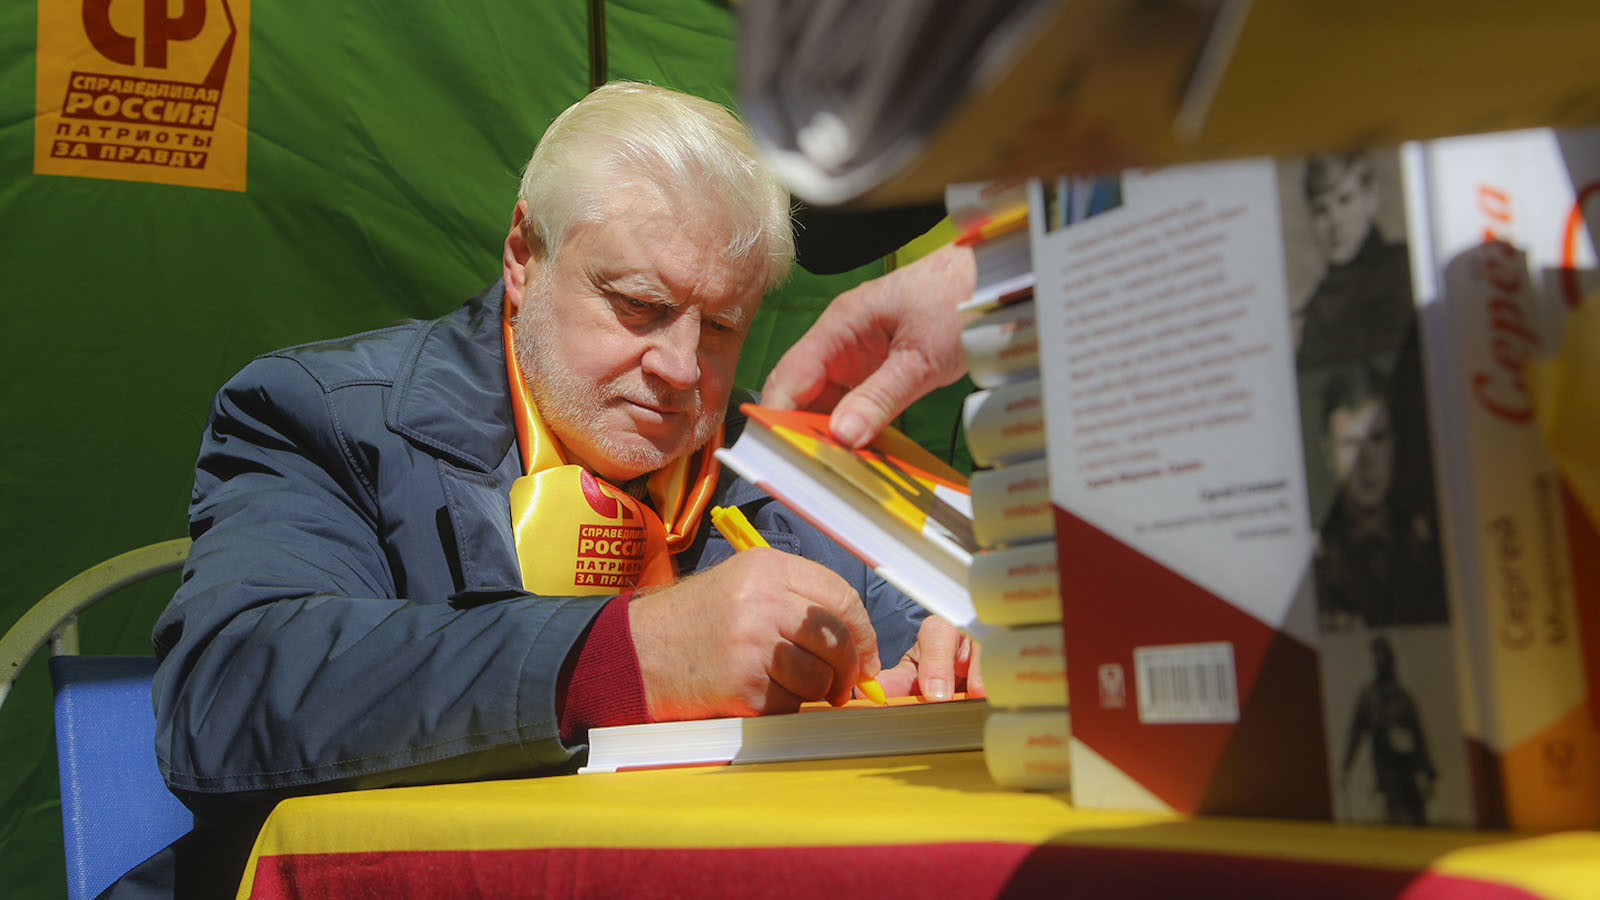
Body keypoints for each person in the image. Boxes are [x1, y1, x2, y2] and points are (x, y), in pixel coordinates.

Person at [130, 82, 977, 900]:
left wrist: (969, 644)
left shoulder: (780, 465)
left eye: (722, 326)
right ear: (523, 257)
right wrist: (625, 656)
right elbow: (225, 698)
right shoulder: (325, 414)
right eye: (640, 306)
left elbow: (925, 638)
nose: (681, 368)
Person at [1310, 361, 1448, 629]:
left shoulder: (1433, 546)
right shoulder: (1314, 557)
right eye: (1351, 444)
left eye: (1378, 438)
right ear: (1328, 452)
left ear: (1394, 443)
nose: (1367, 462)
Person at [1293, 151, 1416, 371]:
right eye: (1321, 210)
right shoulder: (1317, 307)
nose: (1334, 221)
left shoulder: (1401, 268)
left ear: (1371, 198)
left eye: (1344, 200)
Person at [1340, 636, 1437, 825]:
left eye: (1384, 655)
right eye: (1377, 656)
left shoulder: (1403, 696)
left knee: (1417, 814)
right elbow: (1355, 733)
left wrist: (1429, 772)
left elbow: (1419, 735)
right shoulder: (1368, 696)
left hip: (1407, 766)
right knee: (1394, 814)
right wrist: (1346, 766)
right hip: (1385, 766)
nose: (1380, 661)